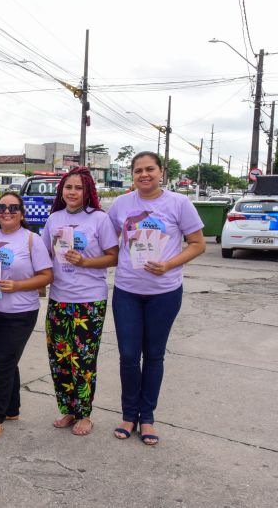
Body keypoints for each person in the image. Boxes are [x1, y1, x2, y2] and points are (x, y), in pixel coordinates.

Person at [107, 152, 205, 445]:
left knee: (153, 355)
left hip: (164, 293)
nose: (144, 175)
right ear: (132, 175)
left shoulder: (179, 203)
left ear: (161, 172)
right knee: (127, 355)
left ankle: (147, 418)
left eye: (150, 169)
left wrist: (169, 264)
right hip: (127, 291)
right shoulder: (122, 204)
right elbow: (110, 240)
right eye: (138, 170)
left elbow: (198, 244)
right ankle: (128, 414)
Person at [41, 167, 119, 436]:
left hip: (89, 300)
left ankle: (85, 414)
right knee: (60, 358)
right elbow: (44, 255)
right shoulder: (54, 219)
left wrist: (85, 262)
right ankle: (68, 410)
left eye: (78, 188)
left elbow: (114, 256)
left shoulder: (99, 219)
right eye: (68, 187)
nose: (72, 192)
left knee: (83, 360)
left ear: (88, 192)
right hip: (58, 298)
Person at [0, 192, 53, 441]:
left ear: (22, 213)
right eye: (1, 207)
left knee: (2, 364)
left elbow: (47, 275)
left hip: (21, 312)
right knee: (6, 361)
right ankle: (11, 409)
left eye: (13, 207)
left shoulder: (31, 240)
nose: (6, 211)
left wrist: (18, 286)